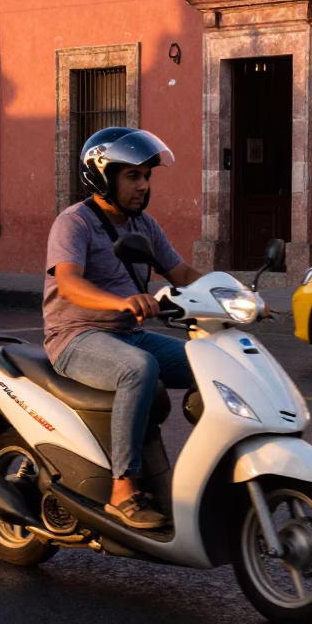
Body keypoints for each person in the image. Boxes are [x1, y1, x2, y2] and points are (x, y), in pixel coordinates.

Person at [42, 127, 203, 530]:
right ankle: (122, 492)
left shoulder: (143, 226)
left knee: (211, 361)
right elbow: (68, 282)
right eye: (133, 176)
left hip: (125, 335)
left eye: (147, 177)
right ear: (102, 176)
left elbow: (180, 271)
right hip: (76, 337)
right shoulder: (74, 222)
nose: (143, 186)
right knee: (138, 368)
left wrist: (234, 297)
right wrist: (123, 301)